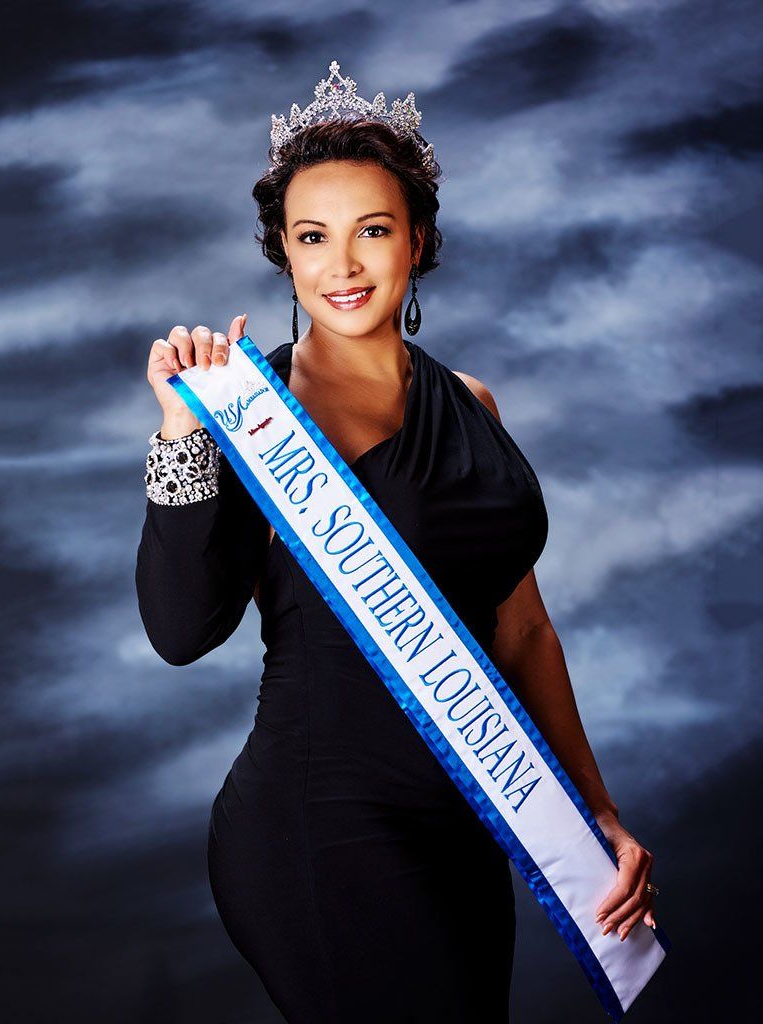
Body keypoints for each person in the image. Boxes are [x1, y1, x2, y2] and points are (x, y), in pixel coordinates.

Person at [135, 61, 658, 1024]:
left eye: (372, 230)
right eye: (312, 238)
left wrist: (597, 813)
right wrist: (181, 434)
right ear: (284, 256)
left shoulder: (474, 404)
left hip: (463, 824)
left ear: (416, 240)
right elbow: (179, 629)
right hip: (316, 826)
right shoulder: (251, 416)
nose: (344, 266)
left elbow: (526, 632)